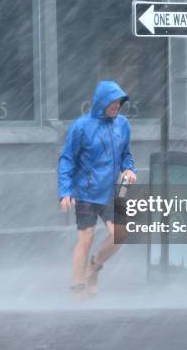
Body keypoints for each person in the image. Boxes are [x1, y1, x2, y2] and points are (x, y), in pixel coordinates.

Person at [58, 80, 137, 299]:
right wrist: (65, 191)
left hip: (113, 191)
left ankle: (93, 267)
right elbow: (66, 160)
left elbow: (126, 155)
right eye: (113, 102)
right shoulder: (81, 126)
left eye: (120, 102)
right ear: (101, 102)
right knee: (86, 238)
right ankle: (78, 288)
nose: (117, 106)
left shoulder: (122, 125)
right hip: (86, 192)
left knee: (120, 233)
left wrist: (129, 169)